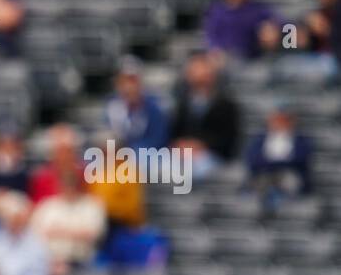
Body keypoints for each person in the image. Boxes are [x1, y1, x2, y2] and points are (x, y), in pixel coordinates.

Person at [170, 50, 241, 180]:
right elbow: (175, 132)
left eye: (205, 72)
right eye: (195, 72)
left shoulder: (226, 105)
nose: (201, 76)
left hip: (213, 156)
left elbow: (228, 139)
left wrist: (202, 145)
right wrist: (180, 144)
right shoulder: (183, 103)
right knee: (162, 167)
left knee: (193, 171)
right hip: (183, 153)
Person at [30, 164, 107, 275]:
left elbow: (95, 233)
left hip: (82, 261)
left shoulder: (92, 205)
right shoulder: (47, 206)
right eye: (65, 183)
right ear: (59, 184)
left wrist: (58, 232)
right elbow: (35, 235)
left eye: (72, 183)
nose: (69, 187)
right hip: (49, 263)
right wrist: (75, 232)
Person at [203, 0, 280, 62]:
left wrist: (278, 34)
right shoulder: (216, 11)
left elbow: (288, 28)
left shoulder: (259, 9)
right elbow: (210, 42)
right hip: (224, 64)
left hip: (255, 63)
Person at [245, 102, 312, 204]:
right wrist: (281, 161)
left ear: (291, 122)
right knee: (258, 185)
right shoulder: (259, 140)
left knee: (289, 183)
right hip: (264, 174)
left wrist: (271, 161)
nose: (280, 123)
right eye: (277, 119)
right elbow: (253, 160)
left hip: (289, 175)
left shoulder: (301, 140)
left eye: (284, 120)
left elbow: (299, 160)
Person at [105, 57, 169, 152]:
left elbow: (159, 140)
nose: (129, 87)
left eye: (133, 81)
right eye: (124, 82)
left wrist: (132, 150)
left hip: (147, 155)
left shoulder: (153, 108)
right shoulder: (112, 106)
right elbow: (108, 133)